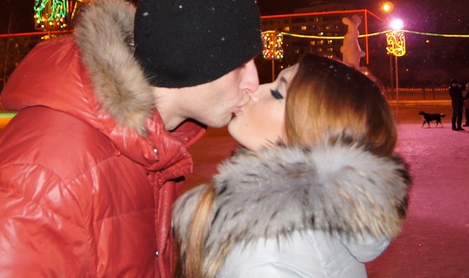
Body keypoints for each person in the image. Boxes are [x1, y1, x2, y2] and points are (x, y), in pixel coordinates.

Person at [0, 0, 263, 277]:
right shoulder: (51, 173)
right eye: (240, 65)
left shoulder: (149, 148)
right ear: (191, 60)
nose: (254, 83)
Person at [172, 55, 412, 278]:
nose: (254, 90)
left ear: (311, 134)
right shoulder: (324, 219)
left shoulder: (264, 248)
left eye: (278, 94)